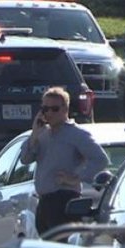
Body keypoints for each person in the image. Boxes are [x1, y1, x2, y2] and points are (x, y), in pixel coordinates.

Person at [20, 87, 109, 238]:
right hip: (44, 201)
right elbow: (25, 159)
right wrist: (34, 135)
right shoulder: (42, 134)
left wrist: (75, 177)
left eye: (54, 109)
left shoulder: (76, 134)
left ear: (65, 109)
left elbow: (100, 159)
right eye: (45, 109)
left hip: (64, 199)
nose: (49, 113)